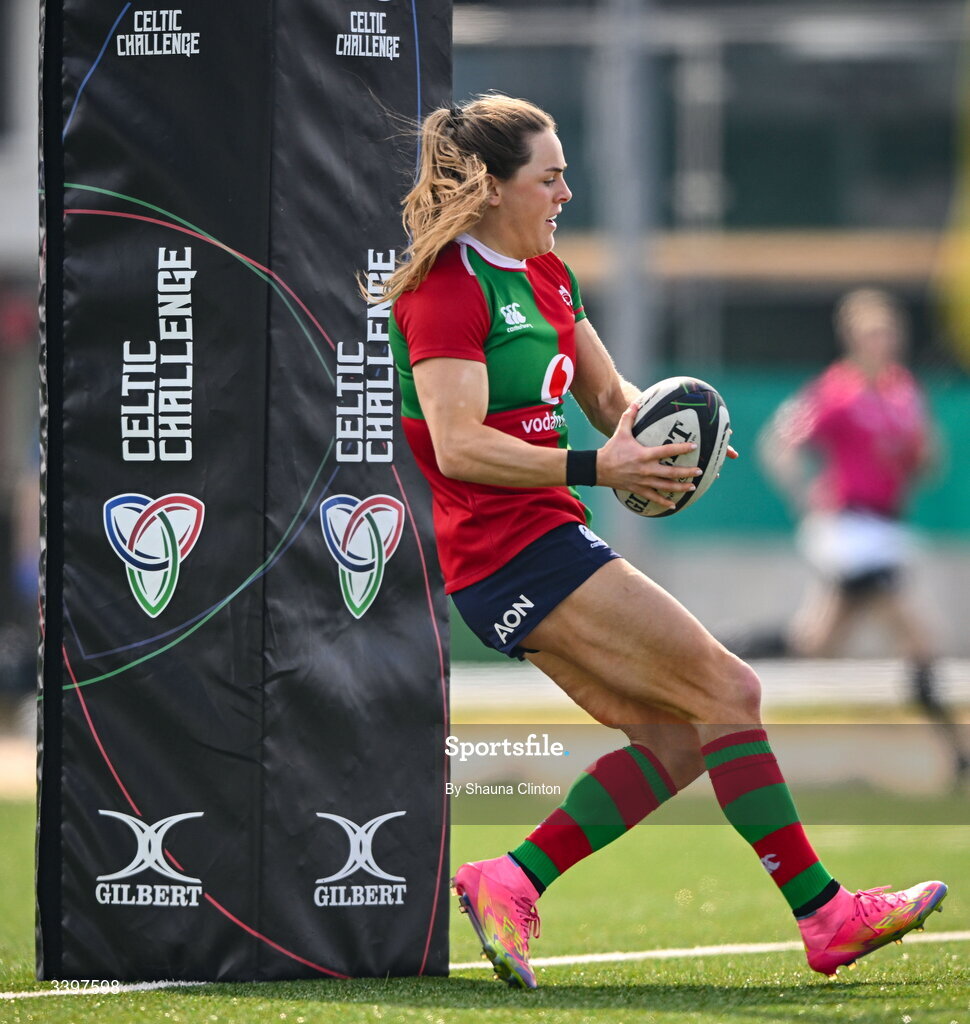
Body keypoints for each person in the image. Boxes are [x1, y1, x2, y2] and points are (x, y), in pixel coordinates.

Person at [382, 96, 948, 990]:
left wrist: (672, 436)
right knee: (733, 689)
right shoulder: (449, 289)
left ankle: (510, 879)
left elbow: (614, 403)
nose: (567, 191)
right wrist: (601, 469)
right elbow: (459, 445)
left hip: (539, 545)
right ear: (490, 188)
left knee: (681, 741)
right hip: (510, 552)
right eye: (550, 176)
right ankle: (826, 915)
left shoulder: (548, 276)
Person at [735, 288, 969, 782]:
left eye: (887, 333)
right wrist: (803, 491)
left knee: (814, 642)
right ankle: (959, 754)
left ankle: (719, 655)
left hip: (884, 528)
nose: (881, 343)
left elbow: (925, 462)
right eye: (871, 334)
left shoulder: (903, 391)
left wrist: (920, 456)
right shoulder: (835, 392)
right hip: (848, 530)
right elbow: (780, 444)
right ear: (853, 339)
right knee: (919, 635)